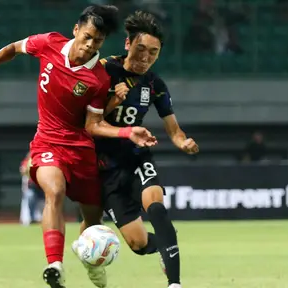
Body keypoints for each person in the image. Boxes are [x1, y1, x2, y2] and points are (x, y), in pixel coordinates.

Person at [0, 5, 157, 288]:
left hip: (81, 148)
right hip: (46, 141)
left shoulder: (98, 78)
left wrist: (126, 131)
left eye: (98, 41)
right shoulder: (48, 43)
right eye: (88, 37)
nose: (90, 45)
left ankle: (92, 263)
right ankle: (54, 265)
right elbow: (13, 48)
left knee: (93, 221)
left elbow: (93, 125)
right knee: (54, 190)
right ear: (76, 30)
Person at [74, 11, 199, 288]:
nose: (146, 57)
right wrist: (111, 103)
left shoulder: (155, 85)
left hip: (135, 158)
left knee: (156, 208)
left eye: (153, 53)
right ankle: (165, 245)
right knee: (139, 244)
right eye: (141, 49)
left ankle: (175, 283)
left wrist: (183, 142)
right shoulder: (103, 70)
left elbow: (174, 129)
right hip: (104, 168)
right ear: (128, 44)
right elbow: (86, 122)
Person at [19, 152, 44, 225]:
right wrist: (25, 169)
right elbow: (22, 170)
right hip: (32, 186)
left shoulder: (42, 160)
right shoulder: (27, 161)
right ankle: (32, 218)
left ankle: (44, 219)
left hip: (42, 185)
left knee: (44, 204)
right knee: (30, 198)